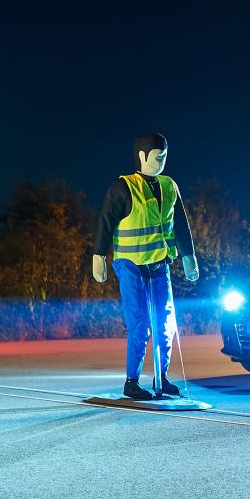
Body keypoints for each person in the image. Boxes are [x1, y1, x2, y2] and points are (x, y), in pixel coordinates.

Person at [92, 132, 199, 399]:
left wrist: (189, 257)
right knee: (139, 323)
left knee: (165, 322)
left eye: (164, 155)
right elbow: (104, 224)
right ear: (142, 156)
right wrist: (98, 257)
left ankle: (161, 379)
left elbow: (181, 226)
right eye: (157, 155)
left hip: (160, 264)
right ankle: (132, 381)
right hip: (130, 265)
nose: (162, 159)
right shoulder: (123, 187)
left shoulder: (169, 186)